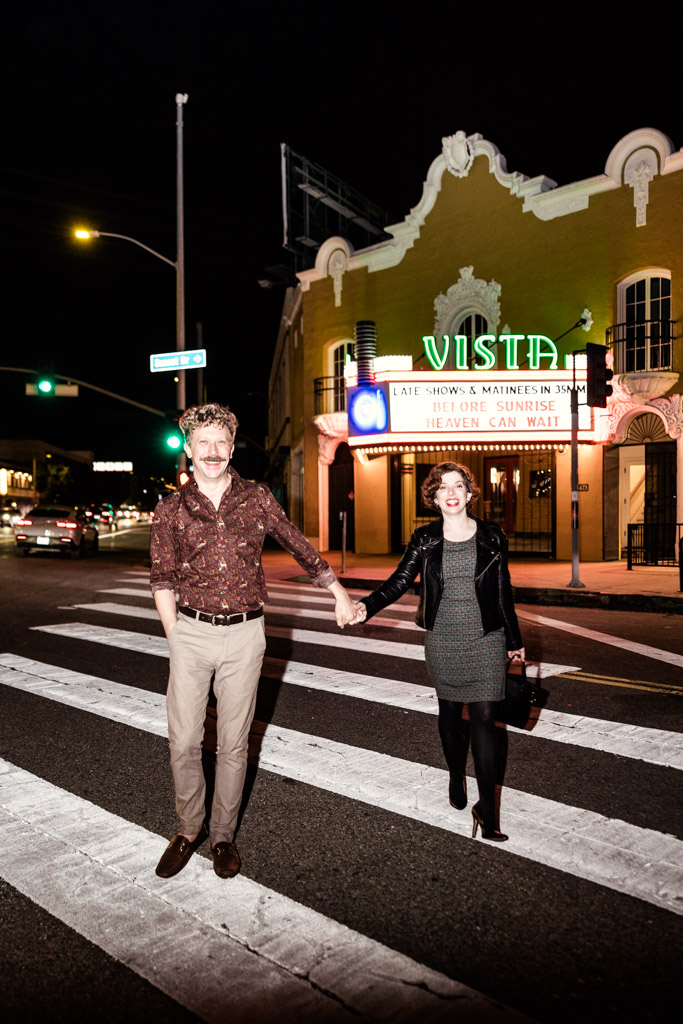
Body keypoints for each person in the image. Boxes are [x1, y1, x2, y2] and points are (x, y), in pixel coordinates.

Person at [150, 402, 358, 879]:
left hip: (246, 635)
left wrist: (339, 593)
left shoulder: (257, 498)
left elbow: (298, 545)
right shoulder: (170, 509)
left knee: (234, 744)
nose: (213, 451)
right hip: (191, 633)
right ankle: (189, 827)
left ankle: (221, 835)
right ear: (189, 448)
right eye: (203, 442)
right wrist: (176, 637)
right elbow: (162, 578)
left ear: (231, 446)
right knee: (183, 741)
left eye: (221, 442)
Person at [352, 462, 524, 841]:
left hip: (487, 637)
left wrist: (514, 641)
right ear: (432, 496)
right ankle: (454, 772)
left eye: (459, 485)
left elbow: (503, 591)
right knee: (449, 711)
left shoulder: (492, 536)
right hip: (444, 637)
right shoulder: (425, 538)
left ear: (469, 493)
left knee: (484, 719)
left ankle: (489, 812)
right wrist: (368, 605)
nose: (451, 492)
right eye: (443, 486)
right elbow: (400, 580)